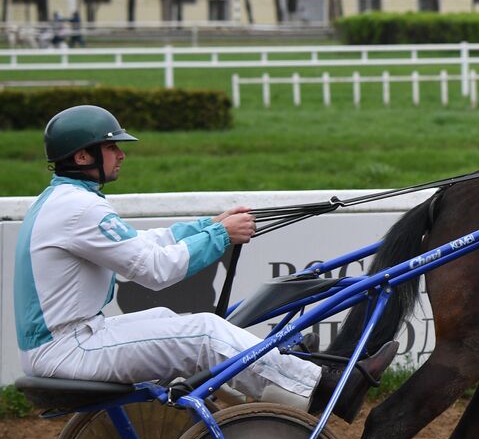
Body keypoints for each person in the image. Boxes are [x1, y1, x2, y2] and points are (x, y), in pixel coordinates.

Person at [14, 105, 395, 420]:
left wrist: (207, 225)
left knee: (165, 319)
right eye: (112, 147)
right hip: (69, 350)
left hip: (68, 344)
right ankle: (327, 387)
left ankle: (275, 382)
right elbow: (155, 270)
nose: (122, 154)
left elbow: (144, 243)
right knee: (206, 333)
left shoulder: (66, 201)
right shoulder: (79, 209)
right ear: (83, 156)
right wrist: (220, 237)